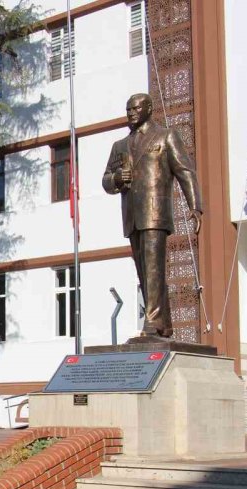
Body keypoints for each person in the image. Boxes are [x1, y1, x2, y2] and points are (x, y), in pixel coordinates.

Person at [102, 92, 202, 339]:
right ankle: (163, 324)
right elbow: (106, 180)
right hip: (132, 216)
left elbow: (185, 171)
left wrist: (195, 206)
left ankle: (152, 321)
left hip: (156, 213)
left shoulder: (166, 136)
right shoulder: (120, 146)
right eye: (128, 110)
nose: (130, 114)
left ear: (148, 108)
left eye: (135, 109)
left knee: (154, 269)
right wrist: (116, 179)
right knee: (144, 271)